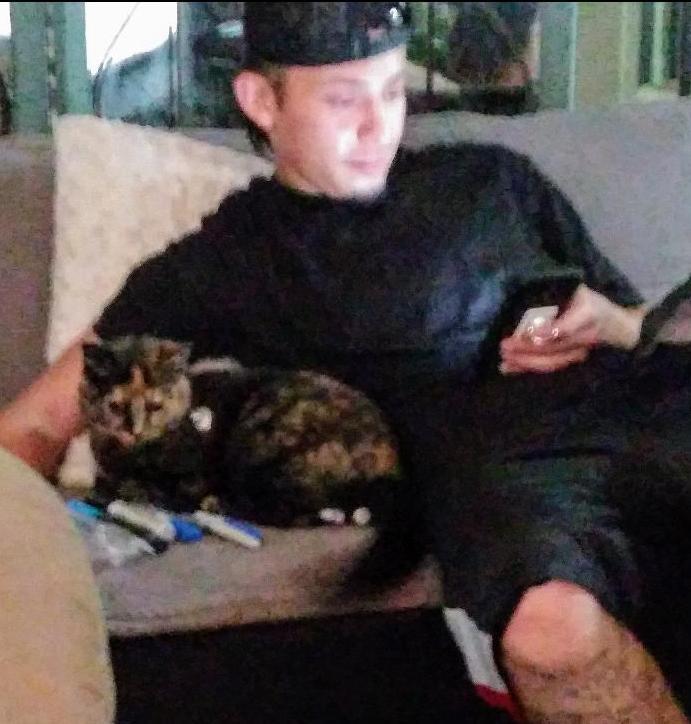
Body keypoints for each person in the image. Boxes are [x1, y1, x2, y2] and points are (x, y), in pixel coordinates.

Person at [0, 3, 684, 722]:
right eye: (342, 99)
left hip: (648, 406)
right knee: (551, 635)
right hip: (504, 468)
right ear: (261, 101)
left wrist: (613, 322)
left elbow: (644, 323)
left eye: (390, 92)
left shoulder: (493, 177)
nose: (376, 126)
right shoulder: (226, 262)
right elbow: (37, 424)